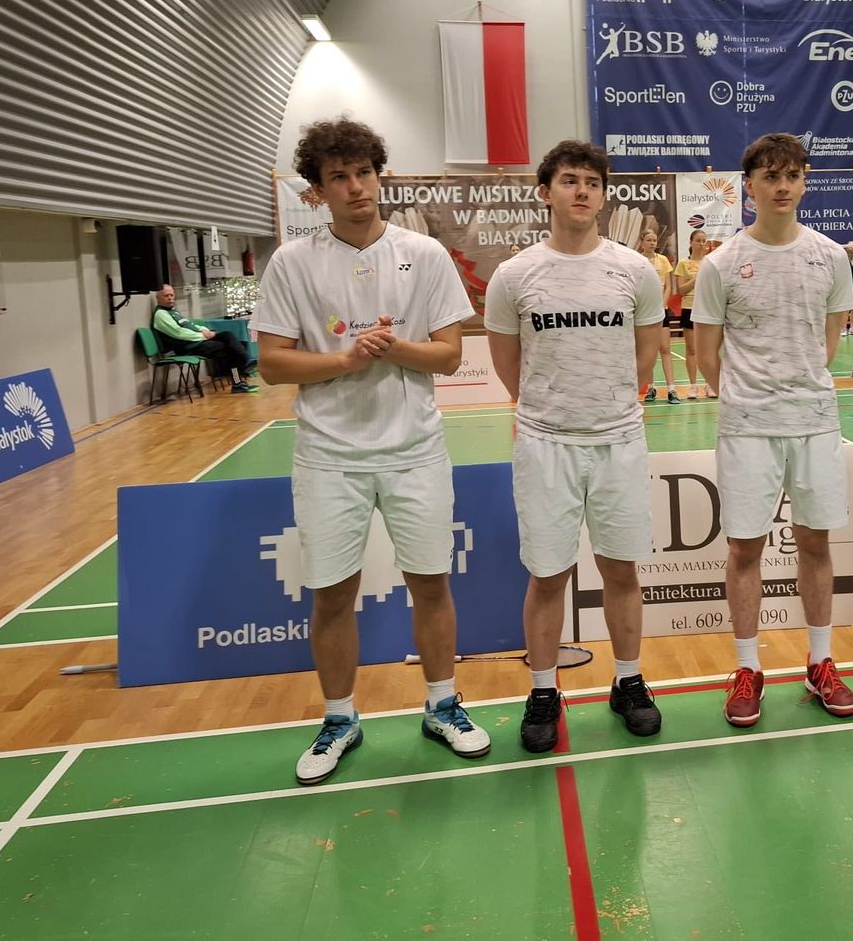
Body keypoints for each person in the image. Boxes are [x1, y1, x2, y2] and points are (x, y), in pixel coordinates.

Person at [252, 116, 490, 784]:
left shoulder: (426, 254)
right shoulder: (292, 263)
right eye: (339, 177)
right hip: (329, 455)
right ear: (318, 190)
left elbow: (448, 355)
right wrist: (345, 360)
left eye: (364, 172)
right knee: (332, 594)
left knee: (432, 584)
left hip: (415, 449)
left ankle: (442, 705)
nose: (356, 186)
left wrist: (392, 348)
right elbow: (272, 364)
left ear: (379, 176)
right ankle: (339, 718)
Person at [484, 139, 665, 752]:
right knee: (547, 575)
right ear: (545, 192)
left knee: (621, 569)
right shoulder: (514, 275)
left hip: (619, 440)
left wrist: (610, 403)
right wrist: (549, 409)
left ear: (604, 195)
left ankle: (628, 680)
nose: (582, 190)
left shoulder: (635, 271)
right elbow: (507, 364)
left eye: (592, 182)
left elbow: (646, 353)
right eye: (569, 180)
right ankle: (543, 689)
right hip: (545, 444)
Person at [696, 133, 853, 727]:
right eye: (770, 176)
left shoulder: (831, 257)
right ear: (750, 187)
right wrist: (750, 396)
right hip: (748, 428)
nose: (782, 186)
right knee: (745, 548)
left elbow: (829, 343)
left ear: (805, 181)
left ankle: (820, 662)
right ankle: (747, 668)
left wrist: (797, 384)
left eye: (792, 175)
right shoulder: (719, 264)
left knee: (815, 543)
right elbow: (706, 354)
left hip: (813, 423)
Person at [152, 283, 257, 393]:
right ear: (158, 298)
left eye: (171, 295)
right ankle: (238, 380)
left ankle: (246, 361)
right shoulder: (161, 314)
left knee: (228, 336)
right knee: (230, 348)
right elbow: (179, 333)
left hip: (198, 341)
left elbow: (191, 325)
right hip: (189, 347)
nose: (170, 298)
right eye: (166, 296)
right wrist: (203, 336)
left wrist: (206, 330)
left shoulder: (174, 312)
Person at [637, 226, 682, 404]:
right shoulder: (637, 260)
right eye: (649, 240)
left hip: (661, 310)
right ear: (641, 242)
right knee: (648, 351)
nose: (652, 243)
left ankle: (672, 389)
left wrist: (663, 304)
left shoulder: (662, 260)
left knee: (665, 348)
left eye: (654, 240)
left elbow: (669, 286)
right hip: (644, 311)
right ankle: (651, 388)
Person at [674, 229, 712, 398]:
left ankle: (710, 384)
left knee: (708, 349)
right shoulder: (683, 263)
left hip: (706, 309)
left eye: (704, 241)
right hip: (689, 308)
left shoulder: (710, 262)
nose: (701, 244)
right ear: (691, 242)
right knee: (691, 349)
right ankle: (693, 386)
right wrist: (697, 279)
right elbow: (681, 290)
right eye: (698, 240)